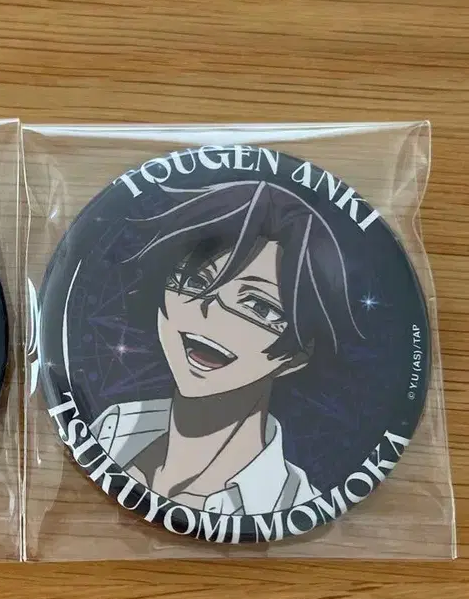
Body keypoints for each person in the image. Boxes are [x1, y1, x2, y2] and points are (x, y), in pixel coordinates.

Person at [91, 180, 362, 515]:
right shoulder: (112, 429)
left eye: (260, 307)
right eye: (195, 281)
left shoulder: (291, 506)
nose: (211, 312)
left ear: (299, 353)